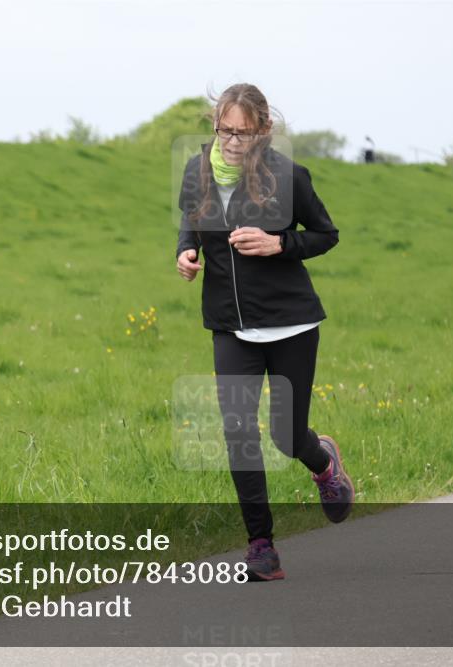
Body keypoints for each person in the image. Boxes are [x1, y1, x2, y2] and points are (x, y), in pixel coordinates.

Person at [175, 83, 354, 582]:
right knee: (239, 435)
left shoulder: (288, 176)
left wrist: (279, 244)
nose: (233, 142)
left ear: (264, 130)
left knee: (285, 435)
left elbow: (325, 234)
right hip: (231, 326)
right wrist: (185, 252)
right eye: (225, 130)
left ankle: (323, 463)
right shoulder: (197, 171)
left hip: (292, 324)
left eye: (244, 133)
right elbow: (191, 223)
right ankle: (261, 547)